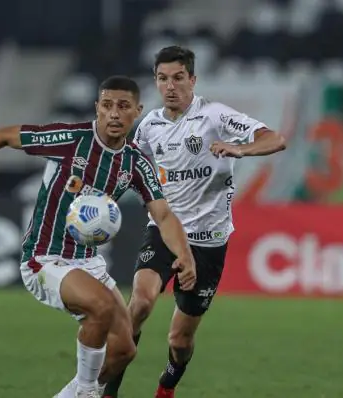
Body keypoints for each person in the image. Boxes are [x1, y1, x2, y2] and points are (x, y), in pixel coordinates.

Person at [0, 75, 197, 398]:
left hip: (87, 262)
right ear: (97, 108)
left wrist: (185, 254)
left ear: (136, 111)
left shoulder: (135, 162)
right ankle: (84, 391)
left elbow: (163, 214)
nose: (113, 113)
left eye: (123, 107)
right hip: (45, 258)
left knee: (124, 350)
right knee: (99, 307)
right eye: (107, 105)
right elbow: (4, 135)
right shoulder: (72, 140)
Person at [102, 47, 287, 398]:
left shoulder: (215, 116)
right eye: (162, 79)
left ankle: (166, 388)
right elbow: (128, 170)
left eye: (177, 78)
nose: (169, 86)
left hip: (208, 242)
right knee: (139, 304)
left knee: (180, 339)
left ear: (192, 80)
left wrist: (240, 149)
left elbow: (275, 139)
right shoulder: (149, 127)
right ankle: (107, 391)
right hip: (165, 231)